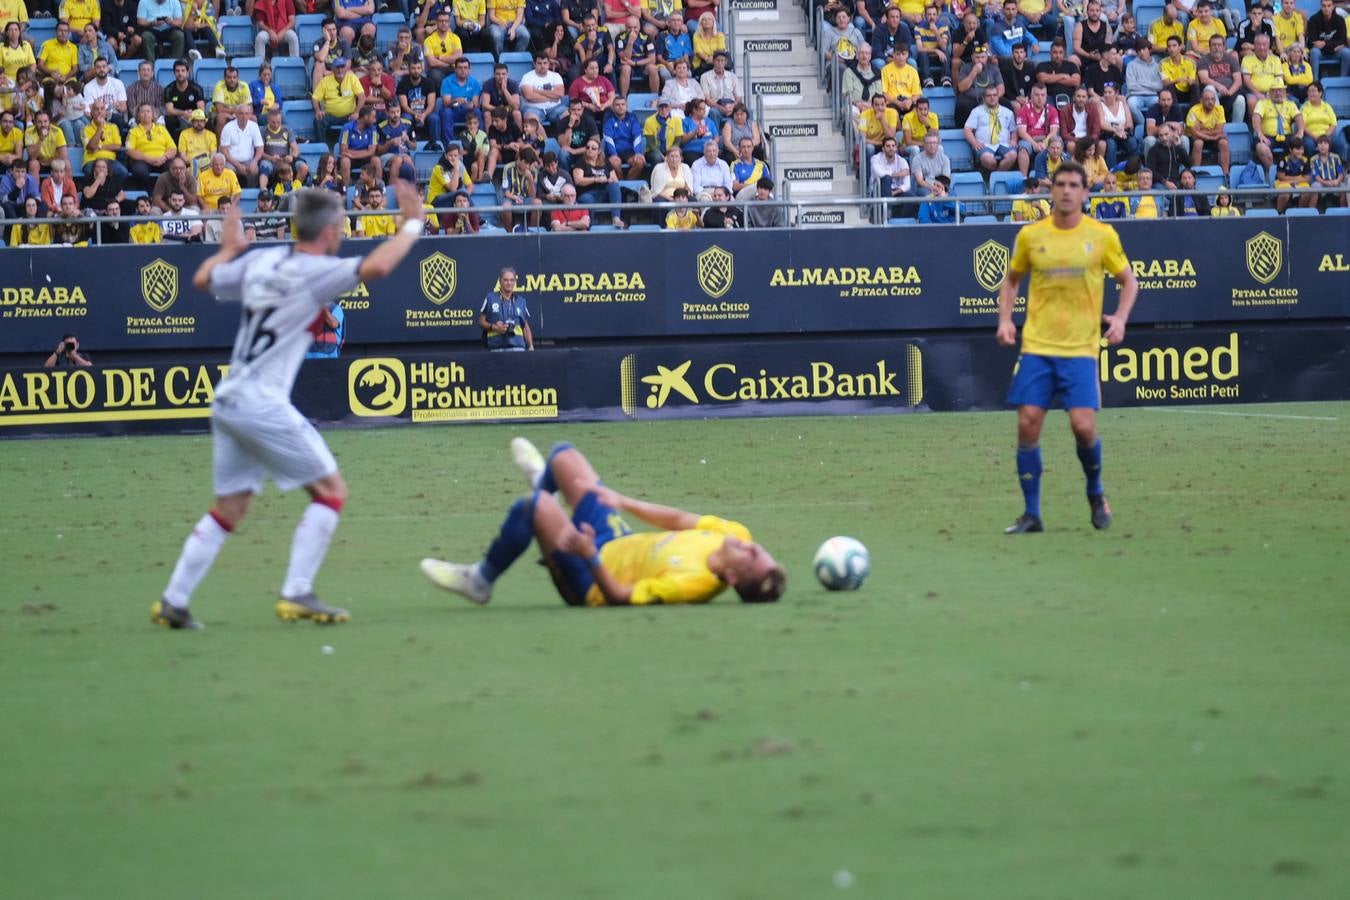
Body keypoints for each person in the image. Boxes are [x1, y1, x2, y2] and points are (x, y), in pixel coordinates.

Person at [151, 183, 426, 631]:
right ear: (332, 230)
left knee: (230, 507)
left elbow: (202, 279)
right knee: (331, 492)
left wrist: (229, 250)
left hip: (229, 399)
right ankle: (297, 591)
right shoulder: (315, 271)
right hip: (261, 403)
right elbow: (377, 266)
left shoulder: (261, 261)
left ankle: (173, 601)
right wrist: (412, 224)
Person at [420, 438, 786, 607]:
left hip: (589, 578)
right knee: (564, 456)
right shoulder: (735, 535)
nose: (753, 546)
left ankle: (480, 580)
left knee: (534, 506)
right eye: (761, 551)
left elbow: (619, 596)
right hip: (616, 538)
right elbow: (676, 518)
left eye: (753, 558)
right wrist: (622, 501)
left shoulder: (691, 585)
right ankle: (546, 484)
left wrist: (588, 554)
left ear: (734, 578)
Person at [996, 160, 1138, 534]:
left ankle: (1095, 491)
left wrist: (1121, 318)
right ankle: (1032, 514)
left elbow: (1129, 280)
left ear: (1085, 192)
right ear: (1051, 189)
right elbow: (1011, 281)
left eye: (1075, 184)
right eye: (1060, 184)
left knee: (1083, 426)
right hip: (1038, 345)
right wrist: (1005, 320)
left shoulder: (1102, 235)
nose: (1067, 190)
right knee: (1027, 424)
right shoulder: (1031, 236)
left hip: (1080, 348)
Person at [478, 266, 534, 350]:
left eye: (512, 280)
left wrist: (530, 346)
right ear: (500, 281)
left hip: (518, 348)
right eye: (506, 280)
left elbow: (525, 327)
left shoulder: (521, 301)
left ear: (515, 282)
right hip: (496, 348)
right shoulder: (490, 298)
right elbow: (481, 322)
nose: (509, 283)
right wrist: (494, 327)